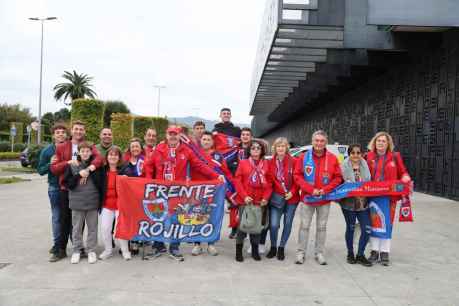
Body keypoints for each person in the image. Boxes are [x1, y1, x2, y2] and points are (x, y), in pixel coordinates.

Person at [144, 125, 224, 261]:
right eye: (170, 134)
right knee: (158, 218)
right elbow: (148, 165)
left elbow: (199, 165)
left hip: (177, 192)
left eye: (175, 134)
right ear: (166, 135)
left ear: (179, 135)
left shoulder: (186, 151)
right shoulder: (159, 149)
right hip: (160, 191)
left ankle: (174, 248)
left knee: (176, 220)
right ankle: (158, 246)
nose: (173, 136)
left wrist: (216, 176)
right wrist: (148, 183)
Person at [50, 120, 103, 262]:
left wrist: (89, 168)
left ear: (84, 132)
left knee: (81, 223)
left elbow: (99, 159)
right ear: (71, 131)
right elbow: (54, 168)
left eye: (81, 129)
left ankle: (80, 249)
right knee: (64, 220)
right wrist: (67, 163)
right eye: (76, 129)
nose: (78, 131)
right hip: (66, 187)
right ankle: (60, 249)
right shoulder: (62, 147)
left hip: (84, 191)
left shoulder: (89, 145)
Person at [293, 130, 343, 265]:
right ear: (312, 141)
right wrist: (310, 189)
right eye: (316, 140)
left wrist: (325, 190)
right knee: (304, 226)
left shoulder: (332, 158)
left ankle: (319, 253)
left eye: (322, 141)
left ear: (326, 142)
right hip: (308, 198)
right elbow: (297, 176)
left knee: (321, 227)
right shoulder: (303, 157)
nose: (319, 143)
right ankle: (300, 252)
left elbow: (338, 178)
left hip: (324, 199)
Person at [366, 131, 411, 266]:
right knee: (374, 223)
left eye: (383, 141)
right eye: (378, 141)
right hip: (372, 196)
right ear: (374, 143)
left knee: (388, 224)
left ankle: (385, 252)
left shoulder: (395, 157)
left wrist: (405, 178)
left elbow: (403, 172)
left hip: (390, 197)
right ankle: (374, 251)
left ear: (388, 144)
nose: (381, 143)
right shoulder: (368, 156)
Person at [190, 131, 234, 257]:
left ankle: (211, 244)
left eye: (209, 139)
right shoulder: (195, 154)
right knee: (197, 216)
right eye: (204, 139)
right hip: (198, 190)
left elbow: (226, 173)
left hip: (214, 192)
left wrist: (231, 186)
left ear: (212, 142)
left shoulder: (218, 157)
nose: (206, 141)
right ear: (200, 141)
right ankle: (197, 244)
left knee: (213, 217)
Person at [62, 142, 104, 264]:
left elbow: (101, 183)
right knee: (76, 228)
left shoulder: (96, 166)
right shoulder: (72, 166)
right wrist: (78, 175)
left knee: (92, 228)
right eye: (83, 151)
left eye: (87, 151)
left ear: (91, 152)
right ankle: (77, 250)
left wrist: (89, 171)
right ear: (78, 152)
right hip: (76, 203)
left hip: (92, 201)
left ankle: (91, 250)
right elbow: (66, 183)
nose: (85, 153)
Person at [233, 140, 272, 262]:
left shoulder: (266, 164)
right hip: (245, 200)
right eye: (253, 148)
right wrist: (244, 196)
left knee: (256, 227)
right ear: (249, 150)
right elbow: (237, 181)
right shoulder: (243, 163)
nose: (255, 150)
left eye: (258, 148)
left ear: (262, 151)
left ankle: (255, 251)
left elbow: (269, 183)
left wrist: (266, 198)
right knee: (242, 226)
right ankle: (238, 252)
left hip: (259, 201)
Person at [265, 137, 299, 261]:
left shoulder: (294, 161)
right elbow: (269, 181)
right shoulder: (270, 162)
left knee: (288, 223)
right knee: (273, 225)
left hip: (292, 198)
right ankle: (273, 247)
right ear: (274, 148)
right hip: (276, 198)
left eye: (283, 146)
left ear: (286, 148)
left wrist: (293, 192)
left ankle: (281, 247)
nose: (280, 148)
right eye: (278, 146)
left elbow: (298, 179)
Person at [37, 122, 68, 257]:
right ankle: (57, 245)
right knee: (57, 217)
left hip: (69, 186)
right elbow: (40, 170)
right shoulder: (47, 151)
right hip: (55, 187)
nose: (60, 134)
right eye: (58, 132)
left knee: (71, 217)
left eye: (63, 132)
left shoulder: (71, 147)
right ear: (53, 135)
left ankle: (76, 246)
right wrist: (50, 163)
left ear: (66, 134)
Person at [339, 144, 372, 266]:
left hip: (363, 203)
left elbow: (369, 181)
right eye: (353, 153)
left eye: (358, 153)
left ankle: (360, 254)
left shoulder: (365, 165)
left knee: (367, 228)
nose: (356, 155)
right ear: (349, 154)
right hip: (348, 204)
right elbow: (338, 183)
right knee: (351, 227)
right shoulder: (343, 166)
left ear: (362, 154)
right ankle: (350, 253)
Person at [99, 146, 131, 261]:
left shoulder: (125, 169)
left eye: (115, 155)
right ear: (107, 157)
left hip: (120, 205)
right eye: (110, 154)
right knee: (105, 228)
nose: (113, 157)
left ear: (119, 157)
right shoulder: (102, 170)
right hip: (107, 205)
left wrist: (127, 178)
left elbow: (132, 181)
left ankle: (125, 250)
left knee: (121, 228)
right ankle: (108, 250)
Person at [121, 138, 146, 255]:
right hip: (129, 197)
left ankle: (138, 240)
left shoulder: (146, 161)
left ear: (141, 148)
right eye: (133, 147)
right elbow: (119, 176)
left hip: (142, 195)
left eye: (137, 146)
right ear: (130, 149)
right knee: (130, 220)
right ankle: (130, 241)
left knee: (139, 219)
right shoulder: (124, 162)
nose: (135, 149)